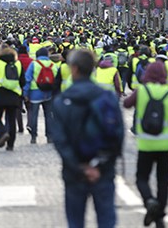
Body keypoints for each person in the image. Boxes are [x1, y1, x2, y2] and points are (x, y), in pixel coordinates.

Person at [51, 49, 124, 228]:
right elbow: (118, 135)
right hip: (103, 170)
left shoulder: (62, 101)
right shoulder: (107, 97)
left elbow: (60, 141)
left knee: (76, 222)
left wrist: (79, 167)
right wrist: (99, 165)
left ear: (74, 69)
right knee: (106, 220)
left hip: (74, 172)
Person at [123, 62, 168, 228]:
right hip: (165, 145)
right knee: (163, 182)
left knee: (141, 178)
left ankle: (149, 201)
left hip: (146, 144)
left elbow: (126, 104)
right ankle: (159, 219)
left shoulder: (142, 91)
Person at [0, 44, 25, 151]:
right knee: (11, 119)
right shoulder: (18, 64)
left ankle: (2, 132)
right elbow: (23, 81)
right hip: (14, 94)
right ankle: (10, 144)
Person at [23, 47, 60, 144]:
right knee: (48, 115)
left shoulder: (34, 64)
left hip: (35, 92)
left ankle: (34, 136)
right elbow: (57, 80)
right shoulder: (53, 65)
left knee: (34, 115)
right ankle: (49, 136)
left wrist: (25, 93)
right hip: (48, 93)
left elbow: (27, 79)